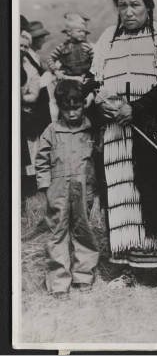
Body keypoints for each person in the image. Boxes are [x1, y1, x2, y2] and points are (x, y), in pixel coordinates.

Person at [91, 0, 157, 289]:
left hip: (153, 133)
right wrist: (100, 106)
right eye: (122, 6)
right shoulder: (107, 39)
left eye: (135, 5)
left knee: (154, 194)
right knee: (124, 197)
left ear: (148, 6)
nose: (129, 12)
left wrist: (137, 109)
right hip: (115, 138)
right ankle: (128, 268)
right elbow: (92, 84)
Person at [35, 80, 99, 299]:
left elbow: (96, 160)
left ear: (84, 104)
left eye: (77, 107)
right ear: (59, 107)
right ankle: (59, 281)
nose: (72, 113)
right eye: (67, 108)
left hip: (83, 188)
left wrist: (95, 186)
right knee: (57, 232)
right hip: (58, 189)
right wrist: (45, 186)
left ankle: (83, 275)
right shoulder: (51, 131)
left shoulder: (91, 129)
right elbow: (41, 160)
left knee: (84, 231)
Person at [20, 18, 52, 192]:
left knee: (37, 143)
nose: (43, 40)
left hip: (39, 105)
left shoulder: (34, 57)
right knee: (31, 144)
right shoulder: (27, 58)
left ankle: (36, 180)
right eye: (40, 37)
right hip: (34, 108)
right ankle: (31, 183)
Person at [47, 12, 94, 82]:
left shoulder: (87, 46)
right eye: (79, 31)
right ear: (69, 32)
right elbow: (50, 59)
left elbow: (95, 60)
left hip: (84, 78)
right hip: (67, 78)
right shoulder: (62, 47)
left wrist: (90, 72)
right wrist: (56, 71)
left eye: (84, 32)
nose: (83, 34)